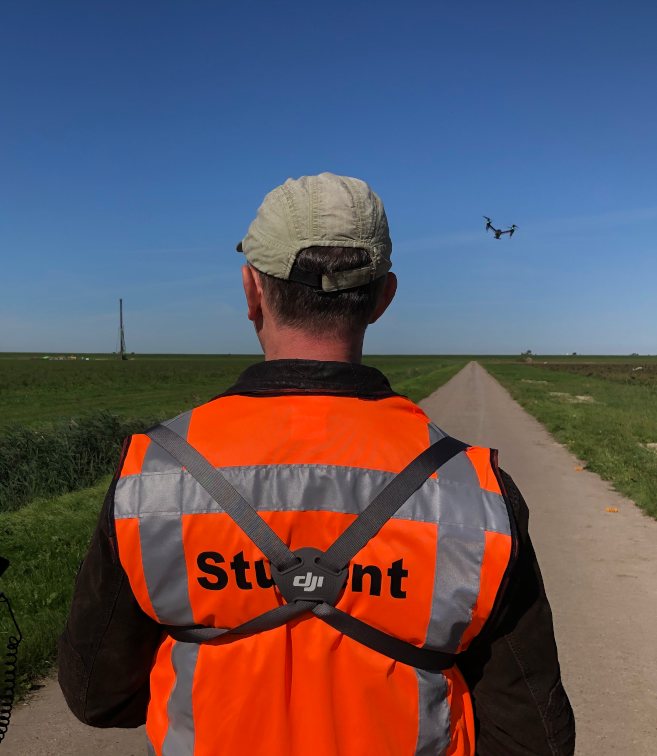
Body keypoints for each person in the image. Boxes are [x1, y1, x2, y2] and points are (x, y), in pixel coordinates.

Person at [59, 174, 574, 755]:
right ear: (384, 298)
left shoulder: (154, 475)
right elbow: (532, 735)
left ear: (252, 290)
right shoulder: (473, 491)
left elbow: (97, 695)